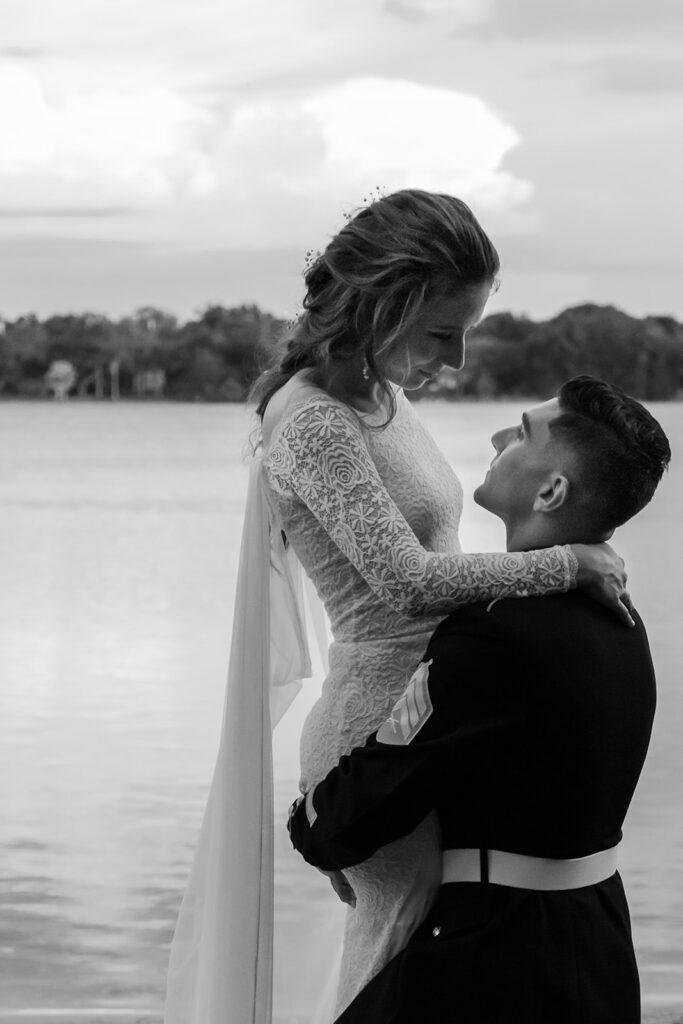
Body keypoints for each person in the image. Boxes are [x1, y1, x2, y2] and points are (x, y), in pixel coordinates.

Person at [164, 190, 629, 1024]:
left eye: (467, 332)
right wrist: (568, 562)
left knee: (425, 971)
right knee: (389, 969)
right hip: (376, 721)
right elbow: (407, 581)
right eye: (443, 333)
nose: (456, 359)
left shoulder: (381, 391)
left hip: (435, 710)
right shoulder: (311, 419)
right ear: (385, 304)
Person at [288, 375, 671, 1023]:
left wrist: (308, 819)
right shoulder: (621, 621)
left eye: (521, 433)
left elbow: (369, 800)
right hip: (600, 945)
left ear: (550, 491)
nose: (497, 437)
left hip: (494, 962)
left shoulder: (495, 633)